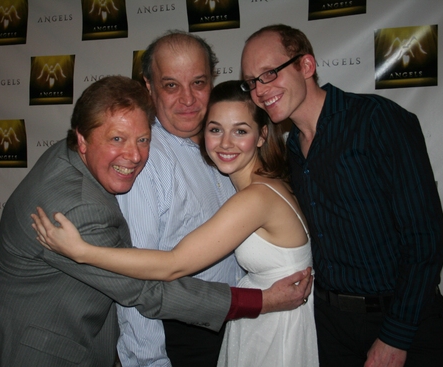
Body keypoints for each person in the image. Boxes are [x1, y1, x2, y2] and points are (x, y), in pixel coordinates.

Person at [0, 75, 312, 367]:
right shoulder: (75, 210)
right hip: (43, 353)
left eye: (143, 139)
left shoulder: (68, 155)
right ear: (81, 139)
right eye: (117, 139)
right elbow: (150, 289)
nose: (134, 155)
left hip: (272, 329)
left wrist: (84, 251)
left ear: (263, 135)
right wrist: (259, 301)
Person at [240, 24, 443, 367]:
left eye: (269, 74)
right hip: (329, 328)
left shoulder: (377, 120)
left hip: (403, 323)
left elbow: (425, 237)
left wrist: (395, 336)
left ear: (306, 66)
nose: (259, 91)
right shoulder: (290, 148)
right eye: (251, 82)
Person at [114, 30, 310, 367]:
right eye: (171, 85)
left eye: (199, 83)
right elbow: (137, 284)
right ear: (149, 87)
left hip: (242, 326)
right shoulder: (146, 161)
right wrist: (149, 362)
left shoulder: (218, 151)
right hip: (180, 340)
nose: (188, 99)